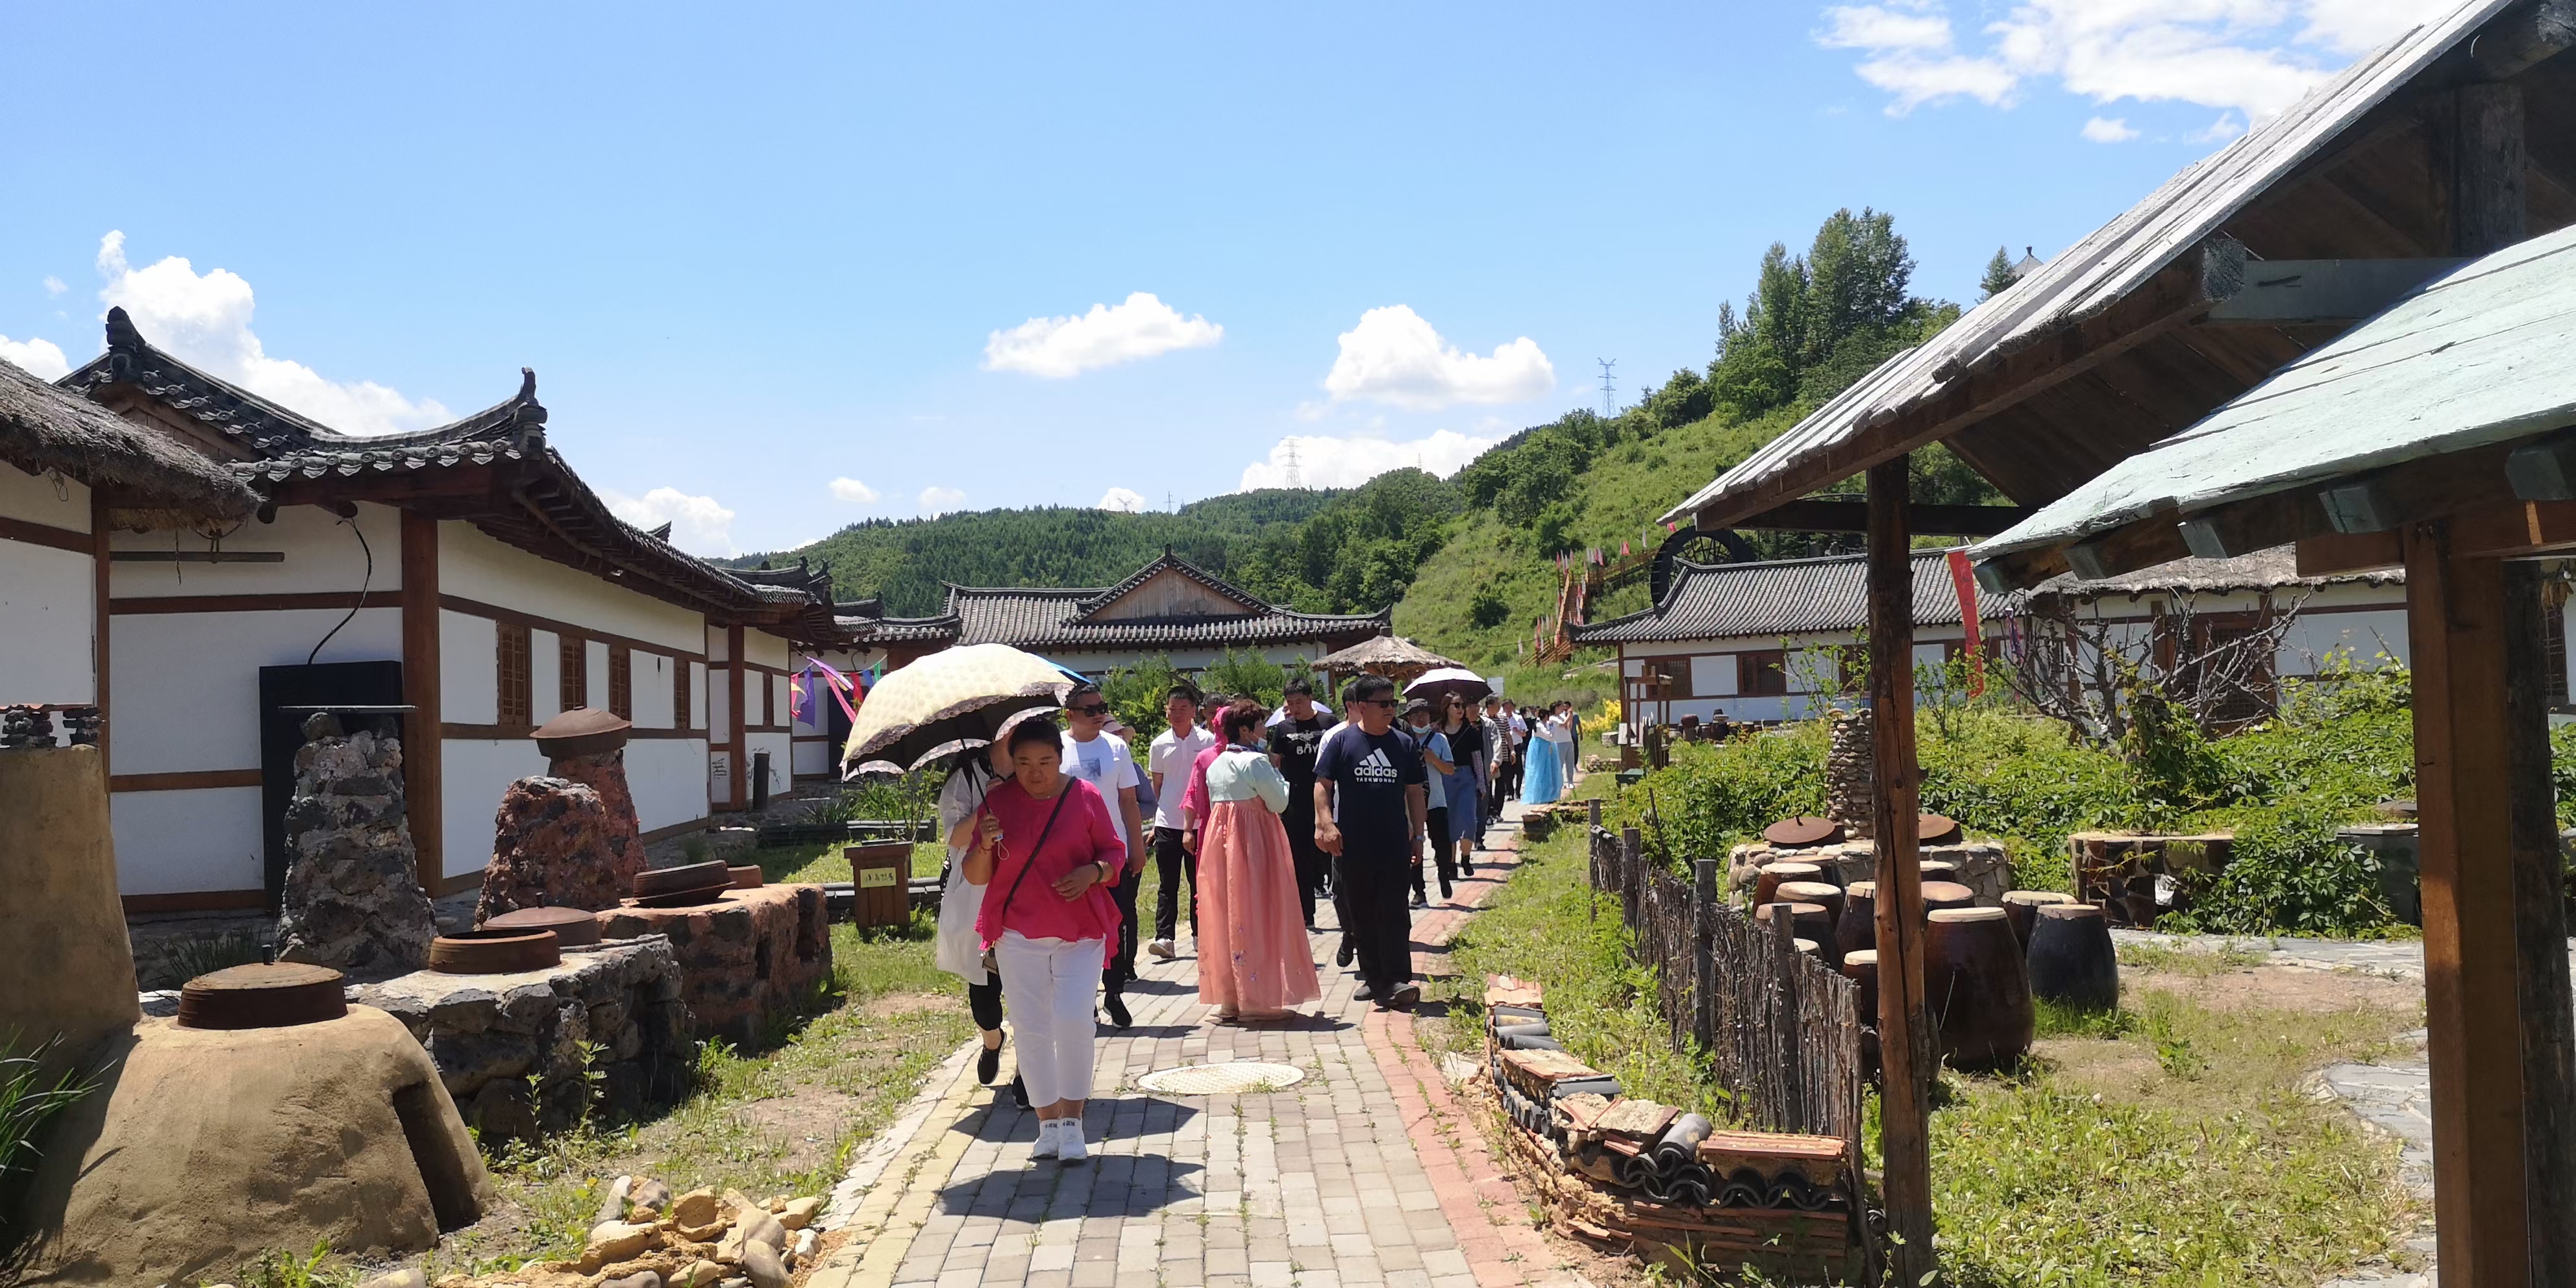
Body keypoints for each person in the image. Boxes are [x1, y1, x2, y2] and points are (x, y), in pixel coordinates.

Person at [963, 716, 1128, 1164]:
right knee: (1031, 1026)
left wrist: (1092, 872)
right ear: (1011, 762)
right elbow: (976, 875)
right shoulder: (997, 803)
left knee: (1074, 1020)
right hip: (1018, 933)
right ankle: (1047, 1124)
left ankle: (1073, 1122)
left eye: (1045, 762)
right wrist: (984, 844)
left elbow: (1115, 852)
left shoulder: (1085, 796)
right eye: (1024, 763)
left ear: (1060, 758)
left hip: (1081, 930)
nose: (1035, 772)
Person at [1196, 699, 1322, 1020]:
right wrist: (1279, 777)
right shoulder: (1255, 761)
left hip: (1220, 843)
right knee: (1259, 910)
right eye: (1260, 724)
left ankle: (1230, 999)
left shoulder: (1217, 764)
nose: (1265, 729)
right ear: (1246, 730)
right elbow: (1278, 802)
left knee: (1227, 913)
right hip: (1254, 841)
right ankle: (1257, 1001)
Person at [1315, 675, 1426, 1008]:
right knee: (1362, 914)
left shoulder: (1403, 744)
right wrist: (1325, 823)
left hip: (1394, 843)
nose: (1391, 709)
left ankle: (1397, 979)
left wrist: (1419, 836)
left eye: (1393, 703)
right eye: (1383, 703)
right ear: (1362, 706)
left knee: (1394, 911)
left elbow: (1415, 792)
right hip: (1353, 844)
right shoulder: (1342, 742)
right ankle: (1375, 979)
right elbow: (1322, 785)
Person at [935, 741, 1022, 1104]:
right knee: (984, 992)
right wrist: (988, 804)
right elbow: (955, 836)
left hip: (1024, 889)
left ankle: (1027, 1070)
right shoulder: (967, 777)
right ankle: (992, 1039)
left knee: (1027, 983)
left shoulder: (1032, 767)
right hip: (978, 890)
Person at [1059, 684, 1145, 1029]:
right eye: (1090, 710)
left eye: (1102, 708)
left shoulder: (1116, 747)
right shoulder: (1056, 748)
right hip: (1070, 854)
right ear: (1070, 714)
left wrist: (1136, 846)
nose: (1099, 715)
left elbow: (1129, 801)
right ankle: (1087, 1000)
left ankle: (1114, 992)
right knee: (1078, 930)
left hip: (1112, 852)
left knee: (1116, 923)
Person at [1146, 684, 1217, 960]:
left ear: (1194, 711)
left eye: (1183, 709)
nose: (1177, 714)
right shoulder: (1159, 744)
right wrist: (1156, 822)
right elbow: (1158, 786)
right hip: (1167, 822)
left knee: (1200, 883)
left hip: (1200, 823)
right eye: (1172, 709)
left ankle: (1202, 935)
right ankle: (1165, 938)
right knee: (1168, 884)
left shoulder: (1208, 741)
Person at [1269, 677, 1334, 930]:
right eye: (1290, 703)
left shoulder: (1328, 723)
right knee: (1299, 859)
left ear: (1310, 698)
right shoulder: (1283, 729)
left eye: (1299, 702)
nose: (1295, 707)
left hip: (1327, 799)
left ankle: (1343, 906)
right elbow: (1276, 763)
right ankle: (1306, 914)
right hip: (1295, 802)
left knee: (1330, 853)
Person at [1402, 699, 1455, 906]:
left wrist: (1434, 760)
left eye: (1423, 714)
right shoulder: (1404, 740)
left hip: (1436, 801)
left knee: (1442, 844)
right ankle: (1419, 891)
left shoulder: (1439, 739)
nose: (1420, 719)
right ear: (1409, 719)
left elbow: (1450, 769)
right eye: (1415, 715)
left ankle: (1444, 874)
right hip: (1412, 804)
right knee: (1415, 845)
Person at [1440, 693, 1485, 875]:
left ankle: (1465, 858)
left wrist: (1481, 783)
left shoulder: (1471, 731)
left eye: (1462, 705)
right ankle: (1451, 864)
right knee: (1449, 822)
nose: (1460, 709)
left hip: (1466, 777)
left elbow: (1477, 759)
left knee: (1468, 819)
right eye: (1456, 705)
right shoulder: (1437, 732)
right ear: (1446, 708)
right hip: (1445, 778)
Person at [1519, 699, 1564, 806]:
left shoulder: (1545, 724)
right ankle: (1540, 795)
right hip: (1541, 750)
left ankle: (1551, 794)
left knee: (1550, 771)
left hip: (1548, 748)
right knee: (1540, 771)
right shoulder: (1539, 725)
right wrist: (1552, 729)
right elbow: (1549, 736)